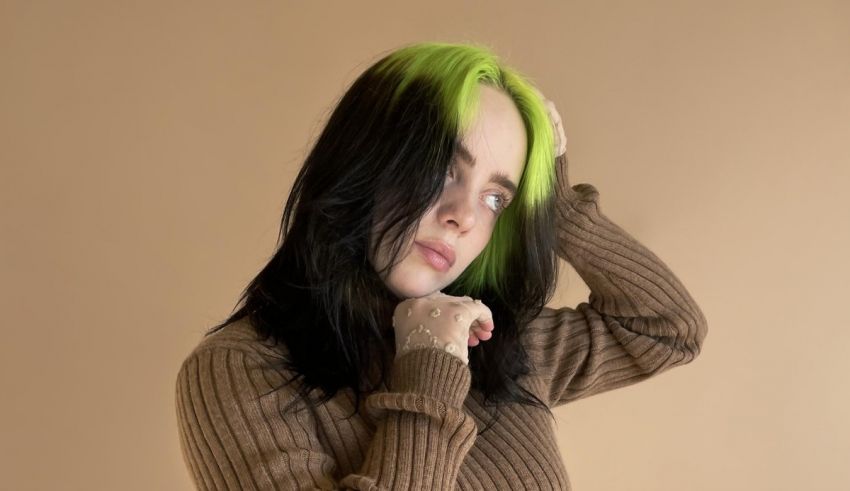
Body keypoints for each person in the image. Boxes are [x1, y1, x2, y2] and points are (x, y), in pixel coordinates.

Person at [174, 42, 708, 490]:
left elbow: (666, 331)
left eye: (496, 198)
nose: (463, 218)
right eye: (445, 170)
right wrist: (431, 363)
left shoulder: (499, 345)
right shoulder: (240, 370)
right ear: (365, 159)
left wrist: (556, 206)